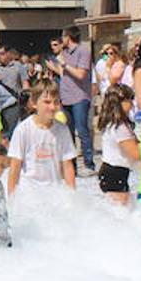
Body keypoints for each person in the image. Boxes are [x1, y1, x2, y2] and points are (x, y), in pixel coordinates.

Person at [6, 78, 77, 193]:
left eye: (56, 102)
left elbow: (67, 165)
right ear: (34, 103)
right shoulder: (23, 130)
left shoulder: (62, 130)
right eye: (47, 102)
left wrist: (72, 197)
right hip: (30, 194)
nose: (52, 107)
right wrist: (12, 200)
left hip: (54, 192)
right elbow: (15, 167)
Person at [96, 84, 141, 205]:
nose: (132, 104)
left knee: (118, 212)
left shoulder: (112, 123)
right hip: (115, 172)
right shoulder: (119, 127)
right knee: (119, 213)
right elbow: (135, 154)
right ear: (120, 103)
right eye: (129, 100)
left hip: (111, 171)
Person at [47, 26, 94, 173]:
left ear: (69, 37)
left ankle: (88, 164)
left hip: (79, 97)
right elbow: (63, 73)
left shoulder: (83, 51)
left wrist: (64, 64)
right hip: (65, 97)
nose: (62, 40)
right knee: (67, 132)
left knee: (82, 130)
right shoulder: (64, 53)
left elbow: (81, 74)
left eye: (63, 36)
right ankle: (71, 166)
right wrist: (54, 68)